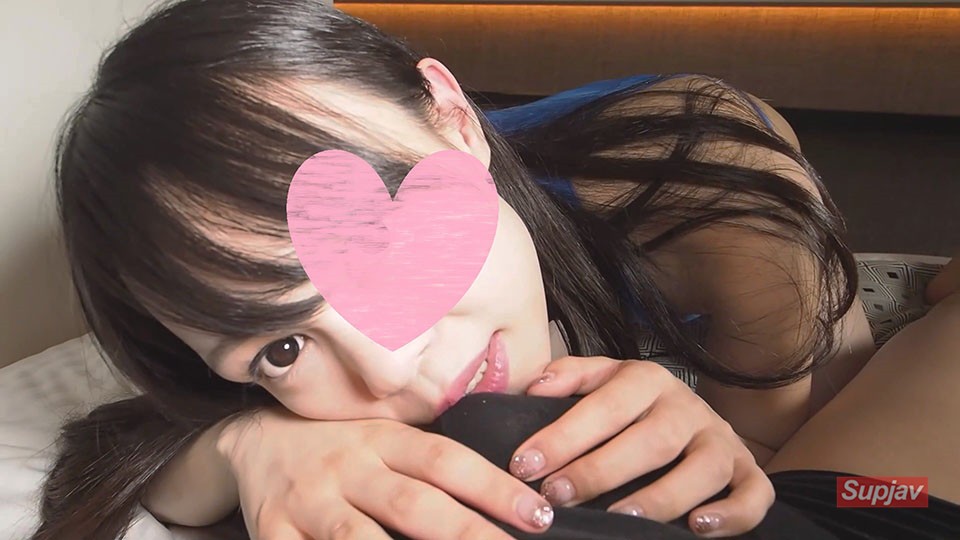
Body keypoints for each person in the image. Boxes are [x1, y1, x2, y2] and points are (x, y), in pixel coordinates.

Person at [30, 1, 959, 539]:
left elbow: (798, 478)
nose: (391, 369)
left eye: (380, 244)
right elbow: (124, 447)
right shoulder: (237, 331)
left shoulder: (718, 198)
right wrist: (248, 446)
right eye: (282, 347)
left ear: (452, 117)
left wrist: (720, 449)